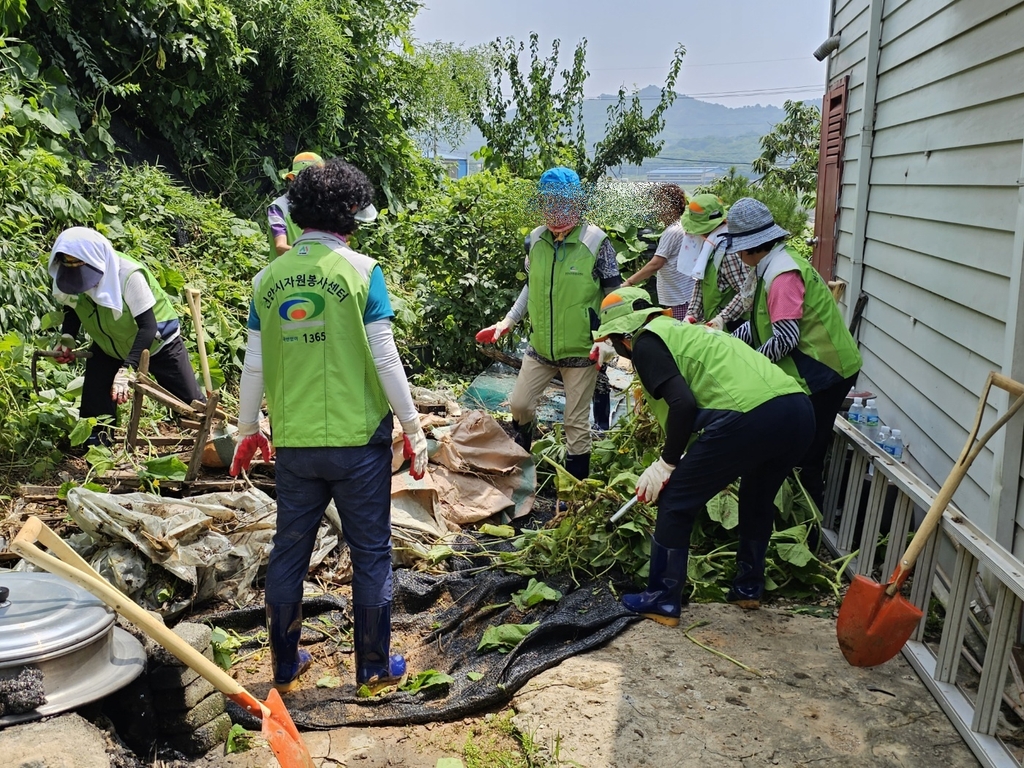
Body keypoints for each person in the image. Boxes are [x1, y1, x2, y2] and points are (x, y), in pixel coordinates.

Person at [231, 158, 428, 692]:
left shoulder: (266, 280)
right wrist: (413, 427)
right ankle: (371, 668)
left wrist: (249, 427)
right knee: (371, 553)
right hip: (358, 442)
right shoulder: (363, 271)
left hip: (294, 443)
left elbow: (254, 364)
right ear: (349, 214)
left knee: (289, 550)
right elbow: (385, 359)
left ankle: (285, 666)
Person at [592, 287, 815, 621]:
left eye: (611, 340)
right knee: (757, 498)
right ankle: (748, 588)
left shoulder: (646, 342)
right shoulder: (686, 332)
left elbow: (682, 404)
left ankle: (663, 599)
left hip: (749, 416)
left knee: (677, 502)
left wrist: (666, 463)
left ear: (624, 336)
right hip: (797, 410)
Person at [476, 167, 621, 480]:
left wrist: (607, 339)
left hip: (583, 351)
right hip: (539, 347)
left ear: (577, 203)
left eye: (561, 202)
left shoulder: (596, 243)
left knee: (575, 424)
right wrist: (508, 322)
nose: (554, 210)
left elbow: (615, 297)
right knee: (519, 405)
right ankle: (524, 444)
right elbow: (533, 285)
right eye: (548, 202)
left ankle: (574, 491)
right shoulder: (535, 240)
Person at [725, 198, 862, 522]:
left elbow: (785, 339)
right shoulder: (772, 266)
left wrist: (749, 367)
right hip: (814, 368)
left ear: (751, 247)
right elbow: (761, 324)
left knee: (805, 453)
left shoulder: (782, 275)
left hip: (825, 370)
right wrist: (725, 342)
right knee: (797, 446)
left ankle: (810, 525)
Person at [48, 227, 205, 445]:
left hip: (157, 343)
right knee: (95, 396)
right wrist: (67, 340)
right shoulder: (66, 274)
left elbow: (148, 327)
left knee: (190, 404)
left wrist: (128, 369)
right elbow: (73, 307)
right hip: (108, 345)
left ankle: (212, 442)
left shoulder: (128, 275)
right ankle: (97, 444)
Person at [622, 184, 693, 320]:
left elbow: (656, 264)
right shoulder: (683, 225)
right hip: (683, 296)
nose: (656, 209)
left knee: (676, 338)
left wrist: (629, 282)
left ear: (672, 207)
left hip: (678, 299)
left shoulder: (672, 231)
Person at [680, 195, 750, 332]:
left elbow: (747, 292)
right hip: (715, 327)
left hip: (735, 329)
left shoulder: (729, 252)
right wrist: (691, 314)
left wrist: (722, 318)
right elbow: (701, 283)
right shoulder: (710, 246)